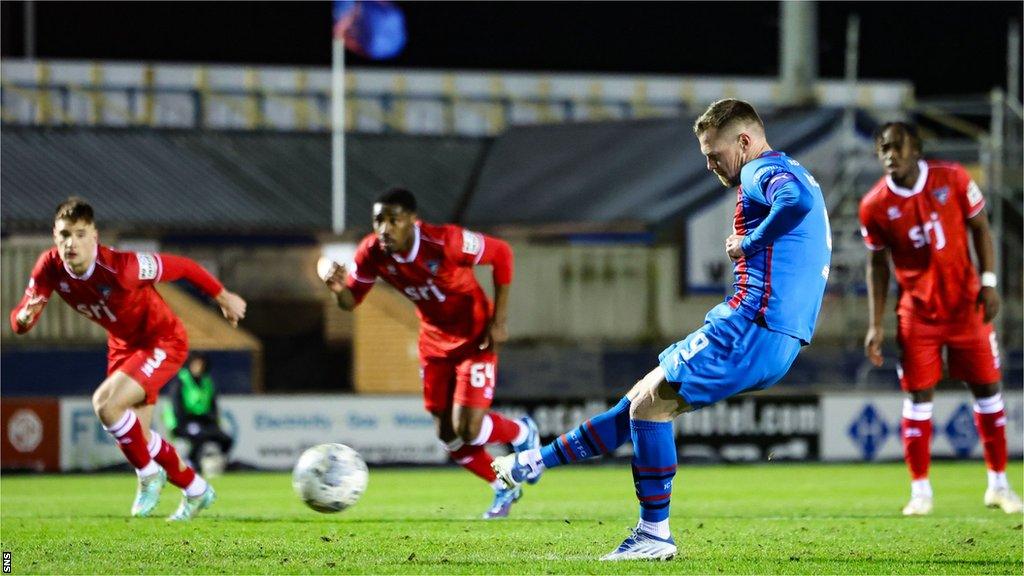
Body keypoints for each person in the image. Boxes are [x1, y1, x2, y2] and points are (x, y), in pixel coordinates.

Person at [492, 99, 832, 560]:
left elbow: (797, 202)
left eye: (715, 154)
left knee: (649, 409)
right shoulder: (790, 168)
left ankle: (654, 535)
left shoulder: (760, 172)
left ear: (745, 141)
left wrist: (747, 242)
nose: (711, 165)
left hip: (753, 325)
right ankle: (534, 461)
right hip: (770, 331)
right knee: (640, 402)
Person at [9, 197, 247, 521]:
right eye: (65, 235)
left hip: (163, 341)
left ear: (94, 237)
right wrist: (22, 320)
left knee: (106, 406)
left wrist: (223, 296)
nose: (72, 243)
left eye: (80, 234)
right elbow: (21, 318)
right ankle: (196, 490)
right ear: (55, 236)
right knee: (138, 437)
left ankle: (149, 474)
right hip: (124, 346)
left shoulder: (123, 268)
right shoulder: (49, 268)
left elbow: (185, 267)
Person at [320, 187, 540, 519]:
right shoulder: (372, 253)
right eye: (379, 220)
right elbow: (351, 300)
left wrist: (499, 320)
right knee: (447, 435)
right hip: (435, 345)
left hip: (474, 338)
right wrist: (336, 289)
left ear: (412, 221)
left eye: (394, 220)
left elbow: (502, 254)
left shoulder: (446, 242)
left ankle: (522, 432)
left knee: (469, 429)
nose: (385, 228)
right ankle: (503, 485)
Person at [859, 122, 1021, 516]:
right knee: (918, 397)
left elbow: (980, 228)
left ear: (916, 150)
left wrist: (988, 281)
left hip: (967, 306)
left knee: (988, 390)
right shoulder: (874, 205)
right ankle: (920, 492)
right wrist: (876, 323)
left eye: (897, 147)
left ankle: (999, 485)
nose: (889, 155)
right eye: (883, 148)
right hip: (917, 312)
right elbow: (877, 265)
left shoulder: (953, 177)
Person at [162, 353, 234, 477]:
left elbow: (212, 404)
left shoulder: (207, 382)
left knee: (225, 439)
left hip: (203, 420)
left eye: (201, 365)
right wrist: (180, 425)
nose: (198, 367)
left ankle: (217, 464)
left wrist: (213, 420)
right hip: (183, 421)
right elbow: (177, 406)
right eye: (196, 364)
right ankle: (192, 463)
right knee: (198, 436)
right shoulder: (181, 380)